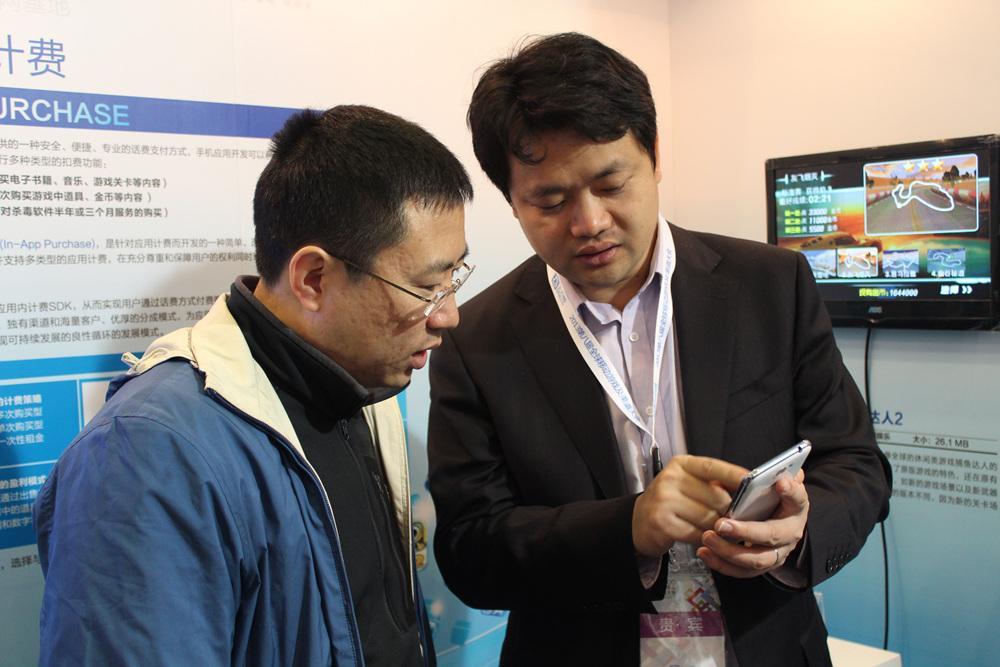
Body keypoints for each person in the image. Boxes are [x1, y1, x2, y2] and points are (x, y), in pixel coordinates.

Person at [427, 33, 890, 666]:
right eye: (550, 201)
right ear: (511, 201)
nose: (589, 222)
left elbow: (857, 463)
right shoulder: (477, 339)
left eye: (611, 183)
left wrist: (799, 531)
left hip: (767, 646)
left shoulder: (769, 286)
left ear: (655, 157)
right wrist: (627, 529)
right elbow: (470, 549)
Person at [34, 105, 474, 666]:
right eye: (427, 288)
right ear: (313, 278)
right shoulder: (150, 454)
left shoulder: (363, 384)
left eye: (454, 277)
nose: (448, 315)